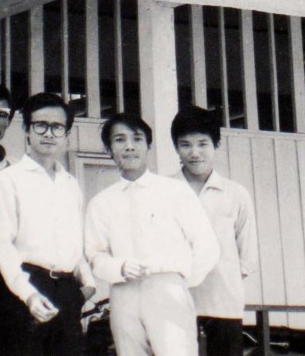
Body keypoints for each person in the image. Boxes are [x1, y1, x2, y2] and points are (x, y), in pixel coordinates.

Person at [84, 112, 220, 356]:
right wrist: (119, 268)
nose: (129, 146)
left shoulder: (174, 191)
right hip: (123, 291)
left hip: (167, 288)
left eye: (137, 139)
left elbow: (206, 245)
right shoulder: (101, 202)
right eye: (119, 140)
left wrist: (179, 280)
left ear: (148, 145)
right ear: (108, 149)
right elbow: (95, 255)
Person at [0, 91, 96, 356]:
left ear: (66, 134)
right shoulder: (7, 180)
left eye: (57, 127)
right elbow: (2, 244)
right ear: (27, 130)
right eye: (41, 125)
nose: (49, 133)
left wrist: (88, 285)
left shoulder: (70, 184)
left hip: (67, 290)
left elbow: (76, 244)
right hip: (23, 290)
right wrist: (28, 294)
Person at [171, 105, 258, 356]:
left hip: (224, 305)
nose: (194, 153)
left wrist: (224, 278)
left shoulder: (236, 194)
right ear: (176, 147)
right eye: (185, 145)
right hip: (175, 303)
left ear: (216, 145)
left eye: (203, 144)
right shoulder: (164, 190)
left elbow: (247, 255)